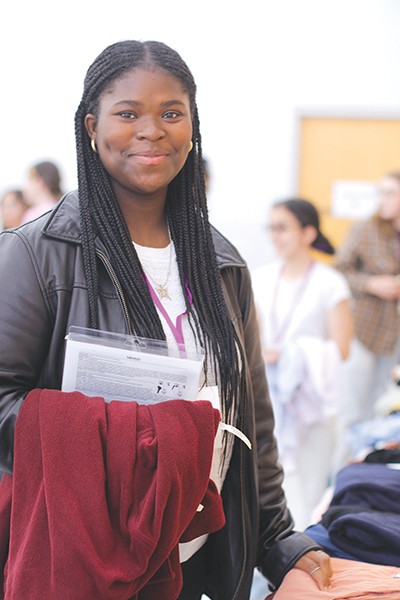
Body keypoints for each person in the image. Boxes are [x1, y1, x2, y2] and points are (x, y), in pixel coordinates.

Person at [0, 40, 331, 599]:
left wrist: (279, 541)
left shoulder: (221, 264)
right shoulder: (36, 253)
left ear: (192, 127)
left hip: (196, 558)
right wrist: (143, 440)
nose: (151, 130)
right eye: (127, 113)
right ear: (91, 126)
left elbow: (252, 420)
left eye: (171, 114)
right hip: (82, 559)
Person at [251, 199, 353, 530]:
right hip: (269, 398)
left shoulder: (330, 283)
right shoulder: (260, 278)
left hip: (312, 401)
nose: (275, 236)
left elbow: (342, 348)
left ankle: (301, 563)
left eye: (283, 228)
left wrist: (291, 353)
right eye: (271, 228)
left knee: (307, 491)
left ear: (308, 233)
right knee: (267, 488)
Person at [334, 171, 400, 428]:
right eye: (381, 192)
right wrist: (372, 284)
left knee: (385, 406)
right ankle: (344, 467)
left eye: (390, 193)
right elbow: (339, 271)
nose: (382, 199)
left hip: (395, 336)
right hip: (364, 329)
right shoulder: (365, 229)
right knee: (353, 410)